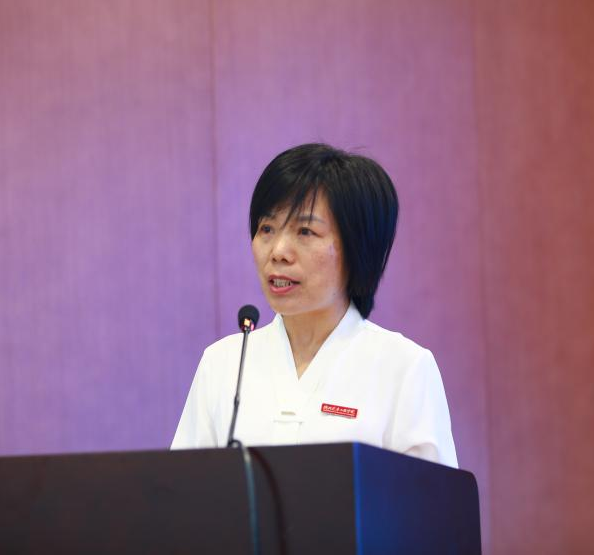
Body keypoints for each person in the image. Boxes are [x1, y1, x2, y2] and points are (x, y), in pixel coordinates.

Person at [171, 143, 458, 468]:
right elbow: (183, 491)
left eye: (305, 231)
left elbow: (430, 499)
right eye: (267, 229)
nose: (278, 251)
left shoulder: (403, 368)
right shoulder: (223, 364)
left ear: (357, 247)